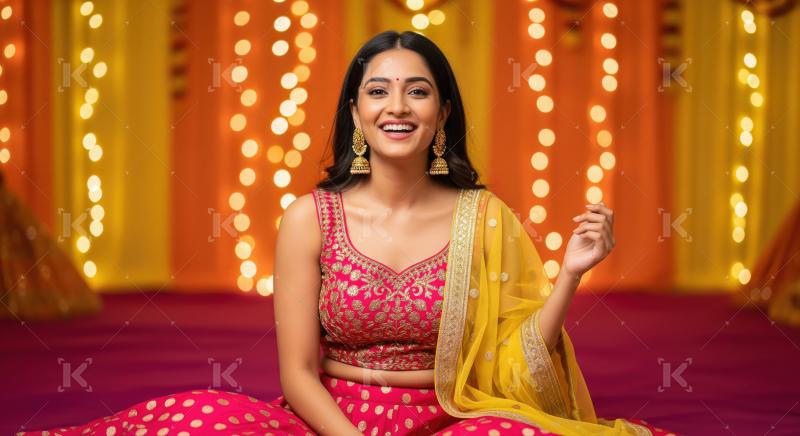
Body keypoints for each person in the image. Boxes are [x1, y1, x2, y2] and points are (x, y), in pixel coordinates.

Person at [25, 31, 674, 436]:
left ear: (442, 113)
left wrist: (570, 273)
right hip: (328, 422)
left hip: (451, 418)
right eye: (379, 92)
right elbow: (298, 371)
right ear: (357, 114)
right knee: (202, 424)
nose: (398, 107)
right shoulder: (310, 218)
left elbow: (516, 359)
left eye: (418, 92)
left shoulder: (485, 218)